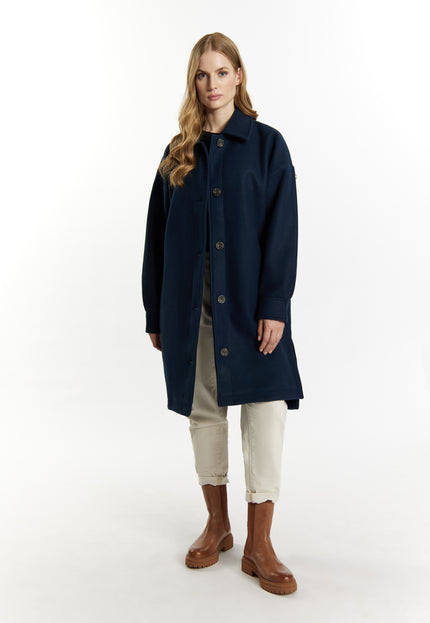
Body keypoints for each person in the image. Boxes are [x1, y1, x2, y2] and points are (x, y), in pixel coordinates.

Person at [141, 32, 304, 595]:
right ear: (194, 81)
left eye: (221, 72)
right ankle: (218, 525)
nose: (211, 84)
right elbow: (156, 237)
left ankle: (261, 543)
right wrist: (155, 313)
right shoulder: (177, 152)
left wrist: (275, 305)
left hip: (254, 310)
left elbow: (282, 229)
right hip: (192, 311)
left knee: (266, 411)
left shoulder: (267, 146)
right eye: (201, 74)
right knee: (204, 411)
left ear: (239, 76)